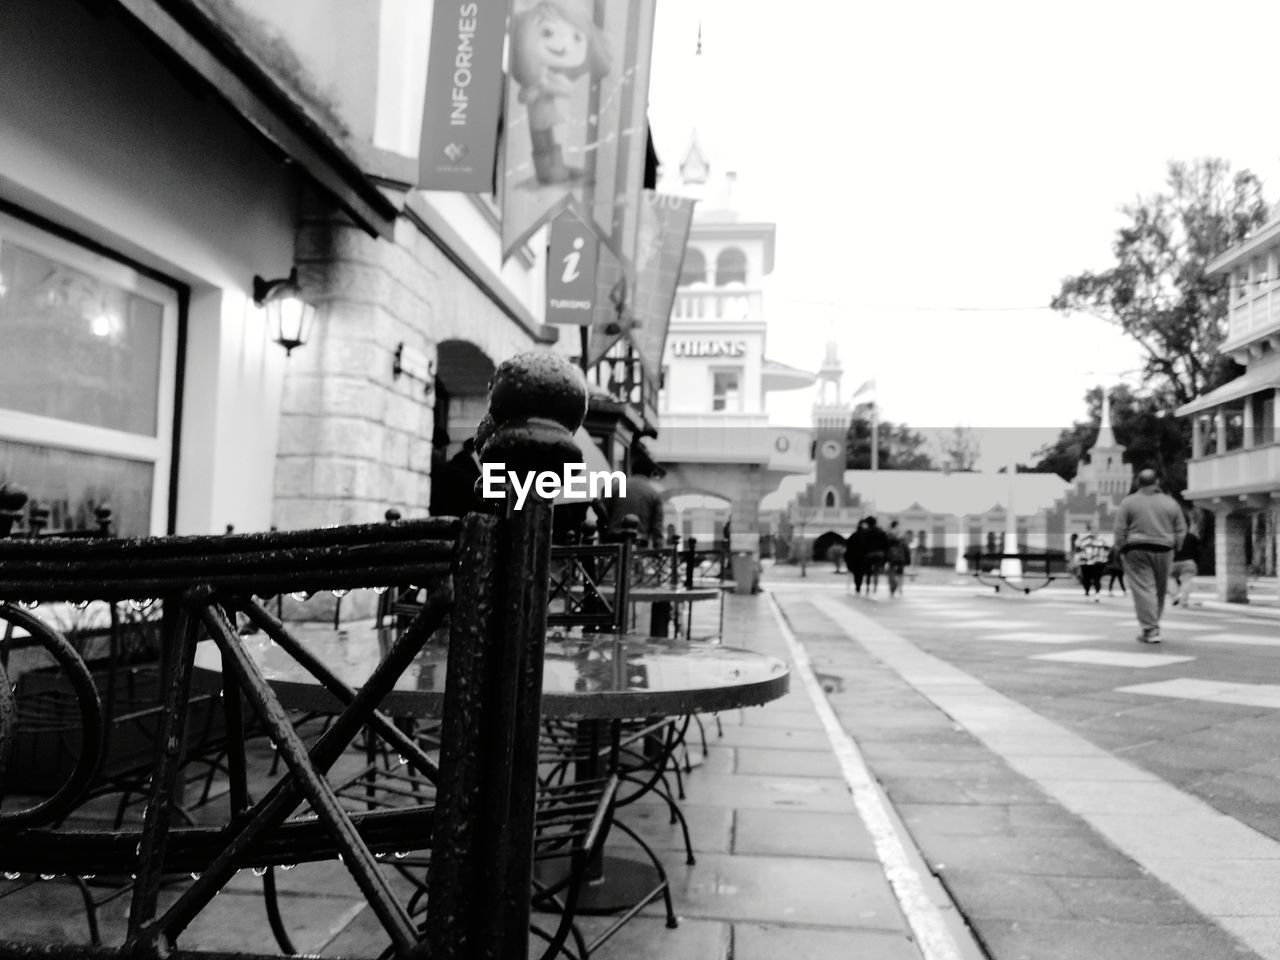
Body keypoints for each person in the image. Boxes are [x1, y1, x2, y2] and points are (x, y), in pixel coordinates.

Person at [1113, 469, 1187, 644]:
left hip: (1136, 549)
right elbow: (1181, 530)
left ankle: (1150, 628)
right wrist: (1176, 547)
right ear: (1157, 483)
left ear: (1138, 483)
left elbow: (1120, 529)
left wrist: (1120, 549)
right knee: (1160, 589)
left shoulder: (1129, 502)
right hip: (1164, 549)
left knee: (1143, 588)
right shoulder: (1170, 503)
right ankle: (1153, 624)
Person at [1073, 523, 1109, 602]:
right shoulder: (1100, 537)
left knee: (1086, 577)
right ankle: (1097, 593)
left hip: (1086, 562)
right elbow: (1106, 548)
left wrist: (1077, 559)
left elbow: (1077, 549)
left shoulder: (1082, 537)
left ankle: (1087, 591)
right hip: (1098, 561)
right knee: (1097, 578)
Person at [1170, 516, 1201, 607]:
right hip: (1188, 562)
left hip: (1172, 562)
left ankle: (1175, 596)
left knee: (1170, 578)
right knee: (1187, 581)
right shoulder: (1192, 537)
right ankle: (1183, 601)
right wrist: (1197, 562)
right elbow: (1198, 551)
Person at [862, 516, 889, 595]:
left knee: (868, 572)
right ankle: (875, 588)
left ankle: (867, 588)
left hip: (869, 554)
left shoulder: (865, 532)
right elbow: (886, 544)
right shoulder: (881, 532)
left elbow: (862, 544)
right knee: (876, 571)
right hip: (879, 554)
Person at [845, 519, 869, 594]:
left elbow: (848, 547)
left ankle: (858, 586)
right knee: (859, 573)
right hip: (861, 557)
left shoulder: (854, 535)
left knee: (857, 573)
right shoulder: (864, 536)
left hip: (855, 558)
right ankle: (858, 586)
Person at [886, 520, 909, 597]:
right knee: (900, 573)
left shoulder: (888, 534)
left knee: (892, 572)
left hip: (891, 557)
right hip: (900, 556)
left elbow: (886, 546)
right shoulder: (901, 535)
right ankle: (900, 587)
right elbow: (905, 547)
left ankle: (894, 586)